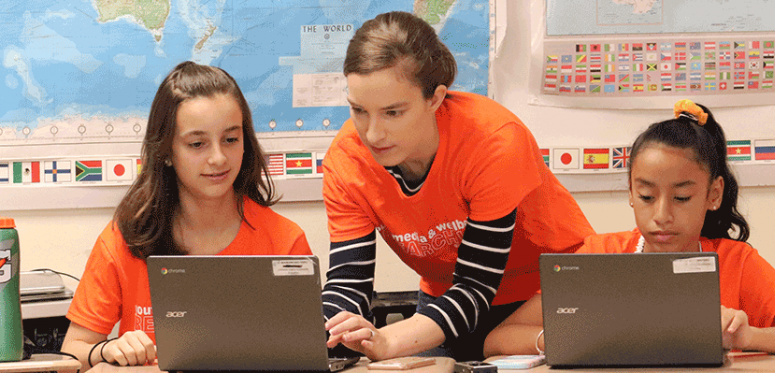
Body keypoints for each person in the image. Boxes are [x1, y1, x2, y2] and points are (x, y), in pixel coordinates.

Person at [483, 100, 775, 357]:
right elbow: (497, 340)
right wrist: (565, 337)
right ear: (630, 193)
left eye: (681, 199)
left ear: (712, 195)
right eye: (646, 197)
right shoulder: (600, 255)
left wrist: (747, 336)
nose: (661, 215)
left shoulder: (735, 262)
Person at [321, 11, 595, 361]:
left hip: (546, 292)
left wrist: (388, 341)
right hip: (447, 298)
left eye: (393, 113)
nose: (372, 134)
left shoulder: (493, 142)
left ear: (434, 98)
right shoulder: (346, 160)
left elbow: (476, 287)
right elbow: (348, 283)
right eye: (359, 110)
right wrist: (323, 331)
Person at [61, 61, 313, 371]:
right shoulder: (125, 238)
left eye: (231, 139)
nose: (218, 158)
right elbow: (71, 353)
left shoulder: (285, 241)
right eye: (197, 144)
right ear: (166, 151)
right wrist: (107, 349)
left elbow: (305, 357)